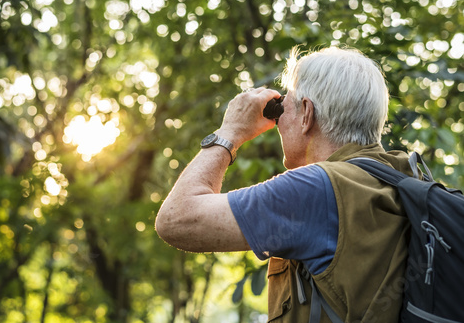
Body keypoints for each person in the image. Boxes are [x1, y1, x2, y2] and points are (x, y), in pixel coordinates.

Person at [155, 46, 412, 322]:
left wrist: (230, 131)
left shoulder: (316, 189)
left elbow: (176, 219)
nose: (277, 123)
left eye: (282, 109)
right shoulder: (403, 177)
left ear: (306, 114)